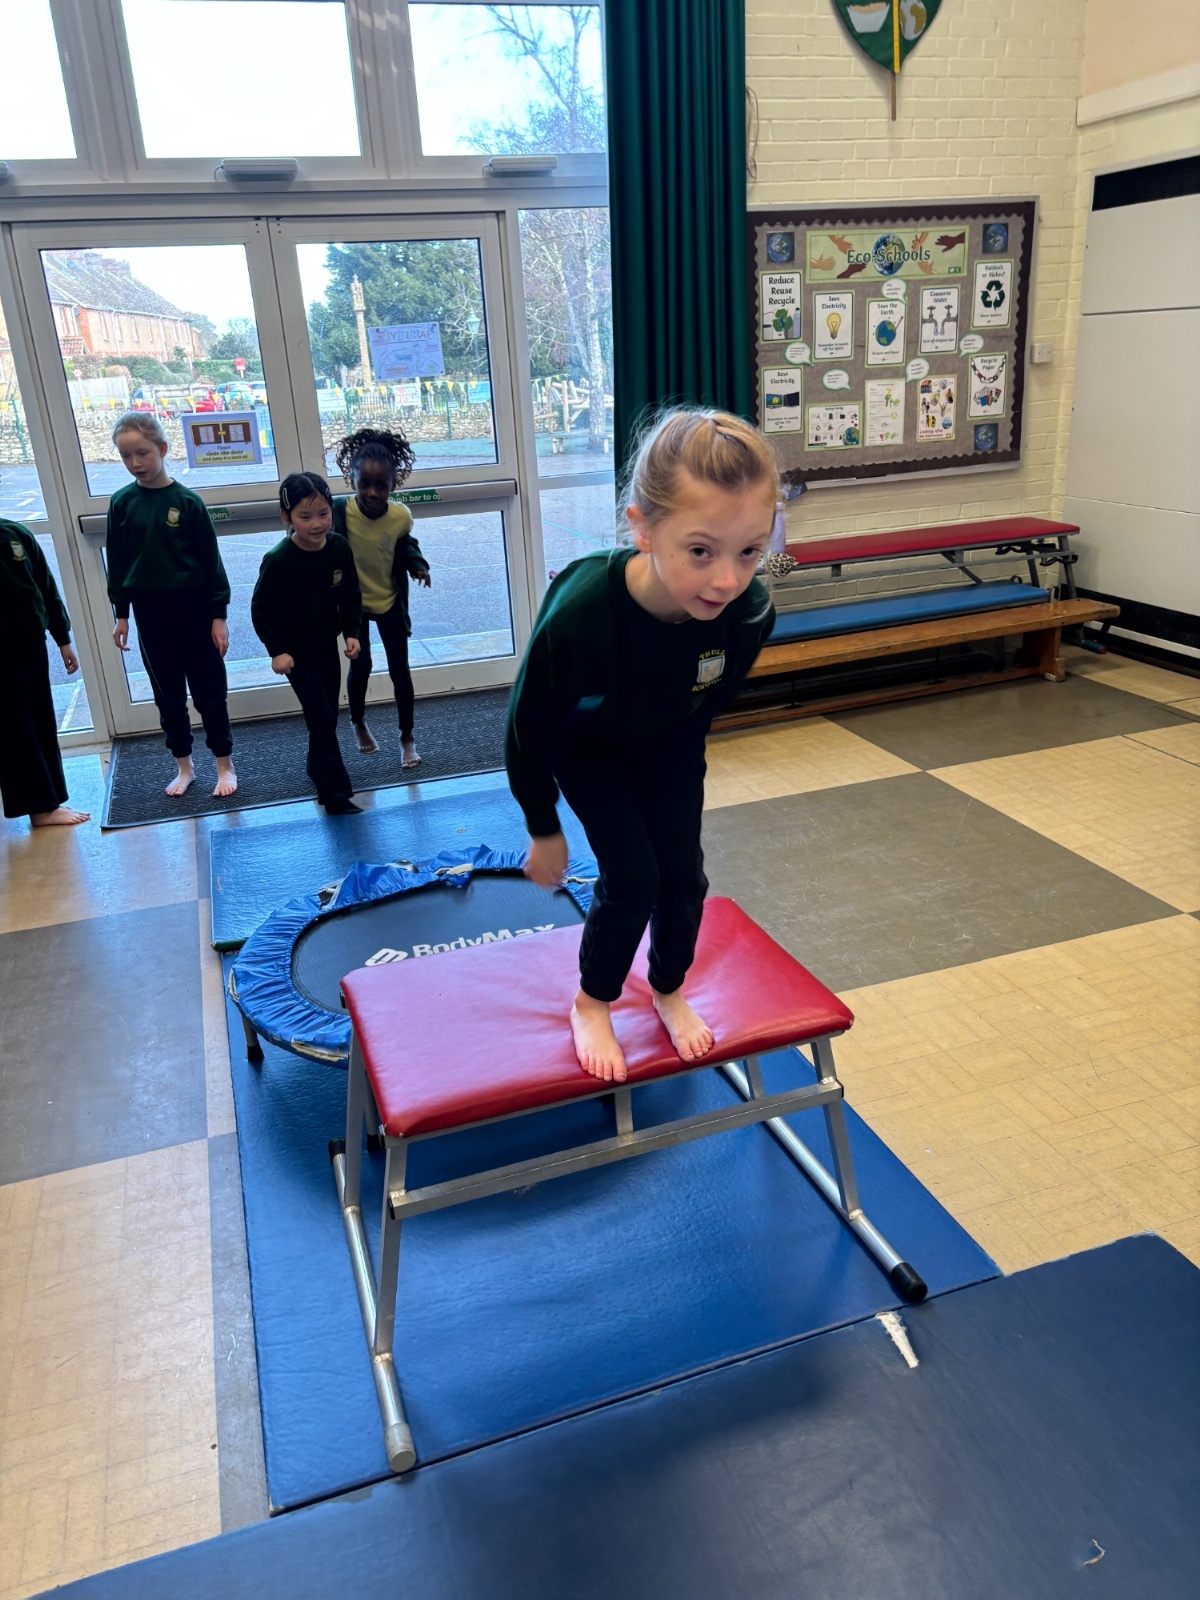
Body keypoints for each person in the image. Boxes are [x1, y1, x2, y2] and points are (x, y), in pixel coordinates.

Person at [506, 407, 779, 1084]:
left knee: (685, 878)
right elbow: (528, 728)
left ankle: (667, 988)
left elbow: (704, 700)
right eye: (701, 551)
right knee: (633, 878)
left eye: (749, 552)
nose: (727, 579)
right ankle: (591, 1001)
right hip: (588, 750)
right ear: (643, 528)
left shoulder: (748, 615)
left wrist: (672, 763)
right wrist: (543, 827)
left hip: (670, 745)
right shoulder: (582, 613)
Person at [106, 412, 237, 799]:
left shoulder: (187, 503)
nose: (135, 463)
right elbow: (118, 562)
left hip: (194, 608)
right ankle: (184, 766)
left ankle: (224, 765)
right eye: (126, 456)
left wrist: (219, 617)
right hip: (150, 612)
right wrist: (121, 614)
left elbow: (212, 564)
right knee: (168, 695)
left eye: (143, 453)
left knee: (209, 691)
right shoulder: (122, 503)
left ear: (162, 449)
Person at [251, 471, 363, 815]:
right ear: (286, 518)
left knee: (327, 716)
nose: (316, 524)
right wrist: (277, 651)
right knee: (320, 714)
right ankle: (335, 794)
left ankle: (317, 768)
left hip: (326, 644)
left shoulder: (339, 548)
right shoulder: (279, 560)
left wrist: (352, 632)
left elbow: (351, 594)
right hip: (296, 652)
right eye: (305, 516)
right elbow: (261, 610)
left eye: (323, 514)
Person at [332, 427, 431, 767]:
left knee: (400, 670)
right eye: (364, 484)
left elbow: (405, 544)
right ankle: (358, 721)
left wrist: (417, 565)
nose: (373, 492)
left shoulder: (400, 516)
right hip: (355, 606)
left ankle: (407, 737)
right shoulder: (340, 511)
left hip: (389, 601)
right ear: (352, 479)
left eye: (381, 485)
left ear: (393, 483)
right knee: (361, 665)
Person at [0, 519, 89, 826]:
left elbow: (46, 586)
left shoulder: (15, 533)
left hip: (30, 640)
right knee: (15, 725)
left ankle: (52, 797)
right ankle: (38, 808)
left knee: (41, 718)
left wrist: (63, 639)